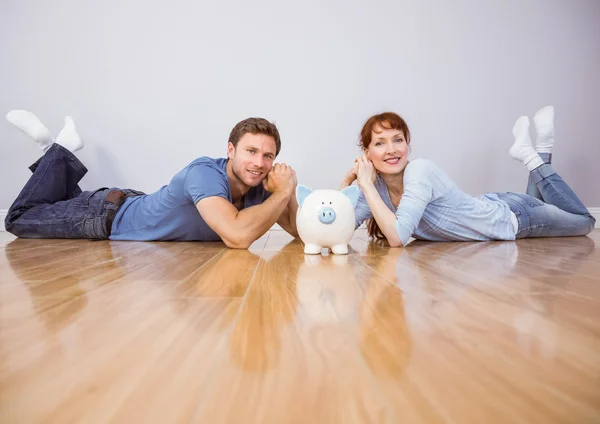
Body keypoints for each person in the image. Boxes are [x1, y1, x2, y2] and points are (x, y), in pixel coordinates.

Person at [4, 110, 299, 248]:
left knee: (58, 200)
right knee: (18, 218)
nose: (259, 163)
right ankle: (58, 151)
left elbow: (303, 233)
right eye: (251, 151)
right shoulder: (205, 173)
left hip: (126, 201)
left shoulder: (260, 185)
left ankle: (50, 149)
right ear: (230, 149)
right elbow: (237, 236)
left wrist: (287, 191)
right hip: (103, 217)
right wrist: (284, 193)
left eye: (268, 156)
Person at [340, 107, 596, 247]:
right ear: (367, 153)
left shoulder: (420, 171)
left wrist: (364, 184)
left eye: (398, 140)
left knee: (585, 222)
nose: (392, 150)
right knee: (542, 203)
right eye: (380, 143)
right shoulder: (375, 187)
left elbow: (397, 237)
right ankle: (541, 149)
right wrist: (347, 184)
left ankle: (533, 156)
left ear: (408, 144)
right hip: (499, 203)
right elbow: (337, 230)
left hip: (515, 218)